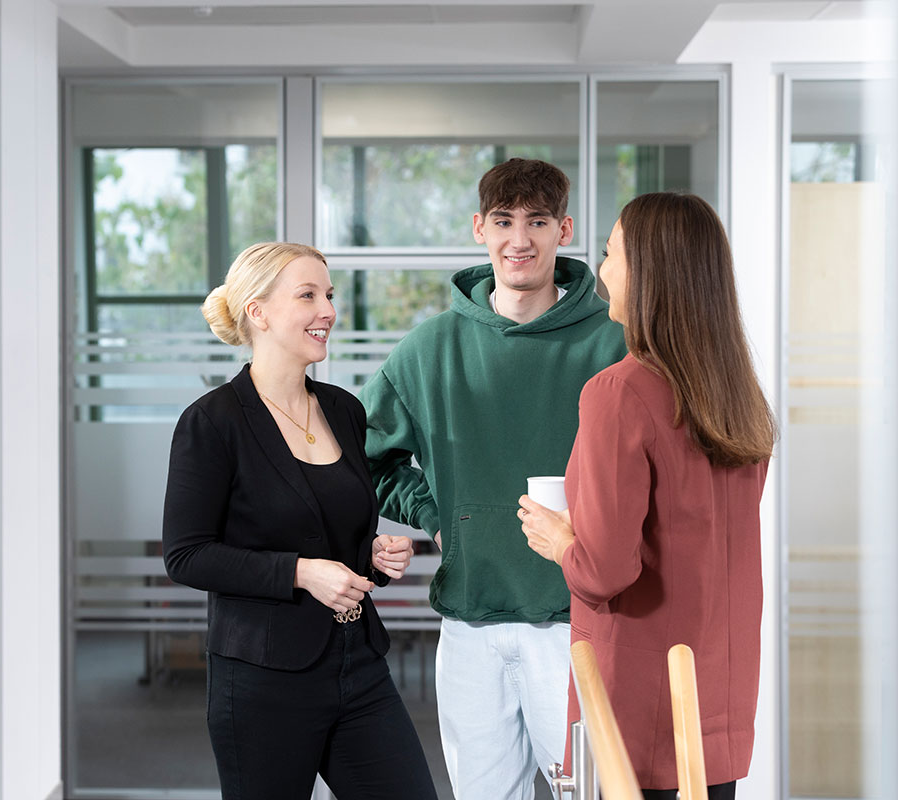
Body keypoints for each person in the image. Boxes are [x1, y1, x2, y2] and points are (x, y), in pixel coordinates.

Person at [360, 159, 627, 799]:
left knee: (588, 793)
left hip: (578, 624)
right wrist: (434, 517)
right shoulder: (427, 351)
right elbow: (368, 457)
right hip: (470, 625)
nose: (520, 239)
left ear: (563, 230)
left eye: (537, 221)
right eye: (504, 221)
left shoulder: (615, 344)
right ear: (480, 228)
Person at [519, 192, 776, 800]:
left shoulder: (617, 393)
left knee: (579, 789)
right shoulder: (740, 397)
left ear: (649, 272)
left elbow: (605, 571)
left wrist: (559, 541)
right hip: (714, 704)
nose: (601, 269)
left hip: (618, 707)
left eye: (610, 254)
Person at [162, 242, 438, 800]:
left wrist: (373, 558)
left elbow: (333, 530)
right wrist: (300, 573)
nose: (328, 311)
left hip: (358, 665)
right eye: (307, 295)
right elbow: (186, 554)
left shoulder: (344, 410)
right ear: (257, 312)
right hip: (262, 681)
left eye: (329, 295)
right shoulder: (212, 423)